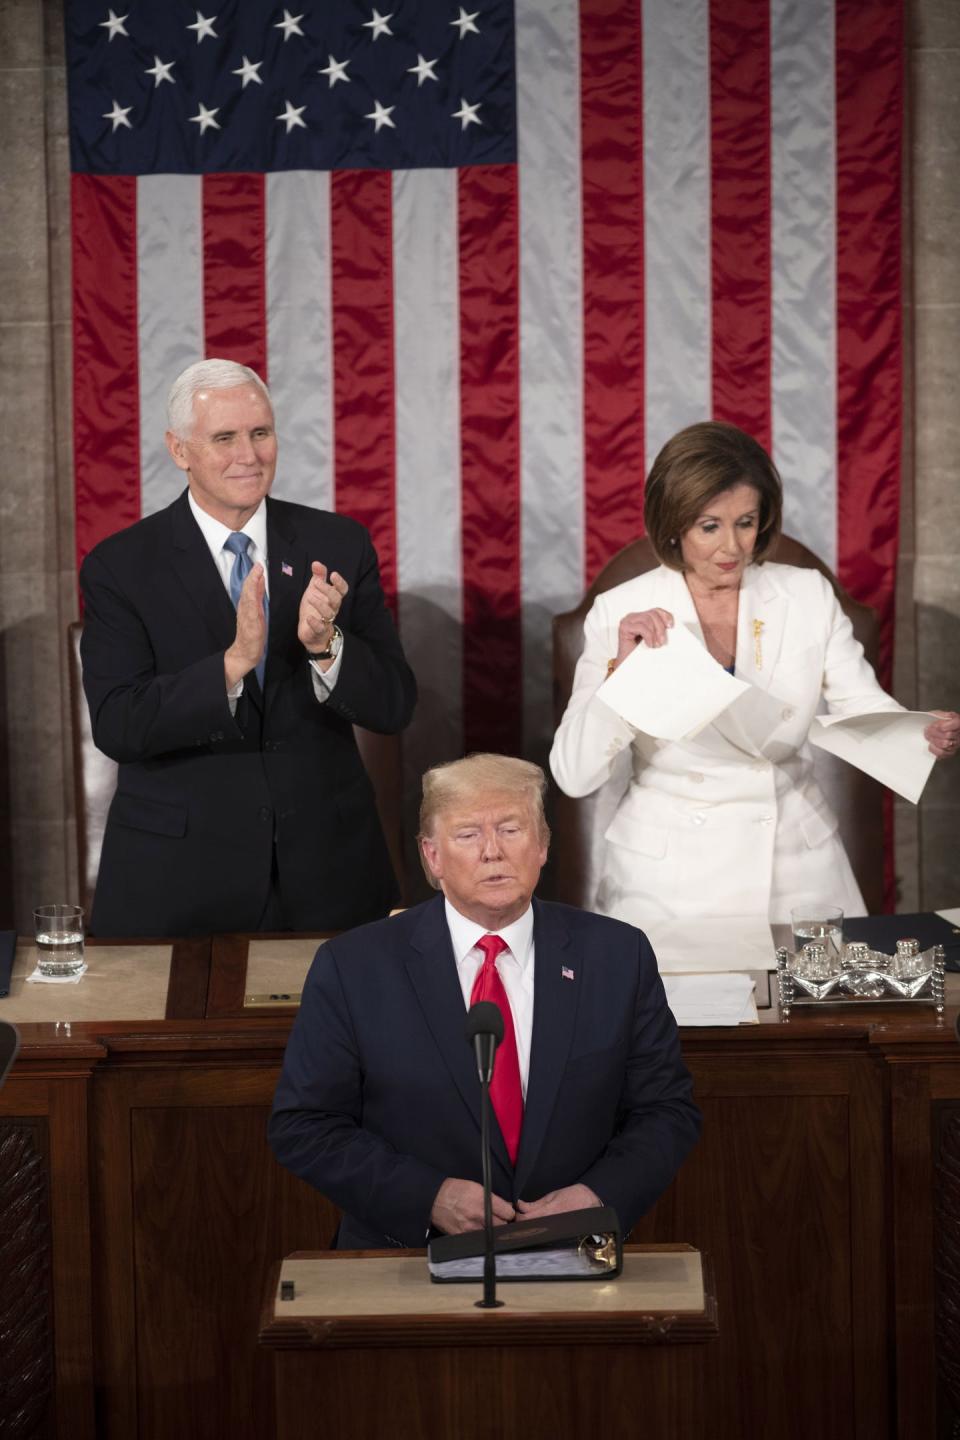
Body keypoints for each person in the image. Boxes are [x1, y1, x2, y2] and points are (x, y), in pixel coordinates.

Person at [269, 754, 700, 1247]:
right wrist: (427, 1197)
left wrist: (598, 1196)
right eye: (468, 834)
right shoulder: (354, 966)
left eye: (511, 830)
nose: (492, 852)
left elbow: (666, 1111)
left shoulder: (617, 956)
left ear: (542, 846)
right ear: (432, 856)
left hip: (573, 1253)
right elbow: (304, 1125)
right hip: (406, 1259)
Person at [550, 421, 960, 926]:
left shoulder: (807, 594)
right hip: (668, 883)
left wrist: (919, 732)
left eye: (746, 522)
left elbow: (863, 705)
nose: (732, 548)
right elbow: (573, 774)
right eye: (710, 526)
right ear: (674, 524)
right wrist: (622, 676)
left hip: (799, 870)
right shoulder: (622, 609)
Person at [80, 359, 416, 936]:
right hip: (181, 880)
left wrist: (327, 646)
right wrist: (232, 666)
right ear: (179, 449)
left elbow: (393, 705)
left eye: (260, 433)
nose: (249, 454)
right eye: (224, 437)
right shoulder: (121, 566)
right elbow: (119, 725)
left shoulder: (337, 544)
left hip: (329, 874)